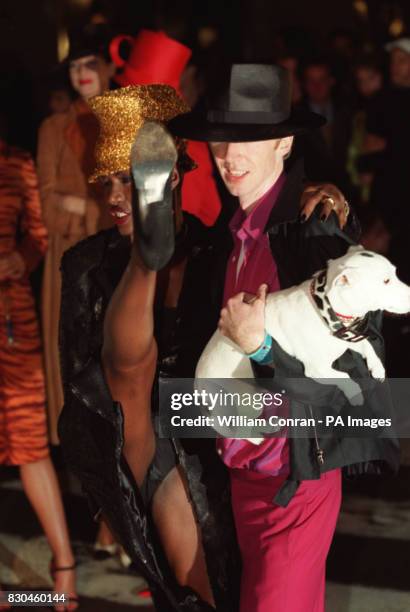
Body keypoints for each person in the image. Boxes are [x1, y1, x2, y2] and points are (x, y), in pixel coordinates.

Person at [57, 78, 350, 611]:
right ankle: (148, 263)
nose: (115, 197)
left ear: (171, 175)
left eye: (130, 181)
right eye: (108, 185)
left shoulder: (219, 243)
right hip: (150, 431)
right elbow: (79, 375)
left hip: (192, 434)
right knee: (128, 380)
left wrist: (311, 193)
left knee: (200, 587)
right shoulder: (87, 263)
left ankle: (146, 265)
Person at [169, 63, 399, 612]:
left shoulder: (314, 233)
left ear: (286, 143)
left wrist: (262, 350)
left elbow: (358, 385)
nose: (230, 156)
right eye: (220, 140)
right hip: (244, 479)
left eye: (250, 139)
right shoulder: (234, 234)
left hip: (295, 481)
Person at [0, 122, 78, 612]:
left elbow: (38, 234)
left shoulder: (15, 161)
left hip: (12, 320)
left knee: (29, 441)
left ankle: (63, 573)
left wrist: (19, 257)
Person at [37, 23, 115, 448]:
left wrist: (82, 205)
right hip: (68, 254)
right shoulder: (52, 128)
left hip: (113, 250)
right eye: (74, 66)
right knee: (69, 347)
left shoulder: (123, 120)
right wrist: (88, 209)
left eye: (90, 64)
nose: (82, 73)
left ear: (106, 67)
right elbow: (46, 204)